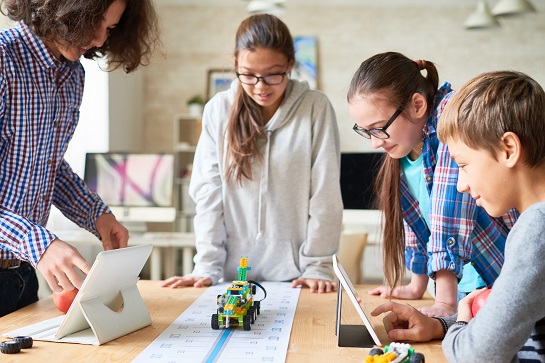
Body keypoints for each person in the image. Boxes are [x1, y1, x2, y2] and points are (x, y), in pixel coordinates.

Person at [371, 70, 545, 362]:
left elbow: (475, 356)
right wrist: (443, 325)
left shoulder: (536, 230)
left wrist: (458, 326)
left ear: (509, 149)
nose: (461, 185)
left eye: (463, 165)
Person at [161, 14, 342, 293]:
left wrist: (318, 265)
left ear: (290, 65)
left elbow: (325, 194)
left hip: (298, 277)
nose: (260, 86)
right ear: (235, 64)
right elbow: (209, 194)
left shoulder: (315, 109)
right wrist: (207, 265)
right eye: (248, 75)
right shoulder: (217, 110)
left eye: (273, 74)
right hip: (232, 277)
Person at [0, 0, 160, 317]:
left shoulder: (73, 75)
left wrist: (96, 214)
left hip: (22, 275)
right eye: (95, 23)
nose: (100, 40)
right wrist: (40, 243)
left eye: (110, 29)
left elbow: (47, 167)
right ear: (62, 8)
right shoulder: (3, 61)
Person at [346, 52, 517, 317]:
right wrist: (417, 285)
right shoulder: (403, 149)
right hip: (463, 287)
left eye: (379, 128)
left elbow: (448, 211)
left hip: (497, 278)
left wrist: (445, 303)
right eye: (366, 131)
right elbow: (417, 222)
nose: (375, 143)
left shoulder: (451, 116)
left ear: (417, 105)